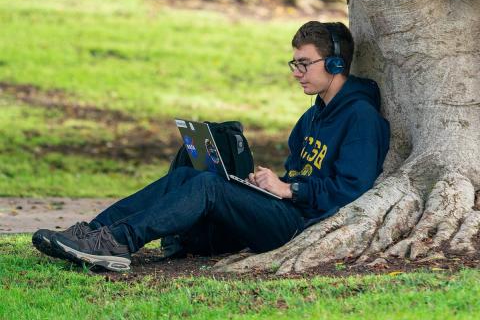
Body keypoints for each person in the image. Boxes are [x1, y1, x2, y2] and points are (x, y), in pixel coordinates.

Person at [32, 21, 390, 272]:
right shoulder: (311, 117)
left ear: (335, 63)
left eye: (304, 63)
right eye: (293, 63)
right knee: (187, 175)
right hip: (286, 209)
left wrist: (290, 189)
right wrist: (269, 184)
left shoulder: (360, 118)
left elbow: (351, 191)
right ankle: (93, 233)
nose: (296, 72)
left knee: (207, 186)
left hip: (302, 225)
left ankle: (118, 243)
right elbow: (300, 174)